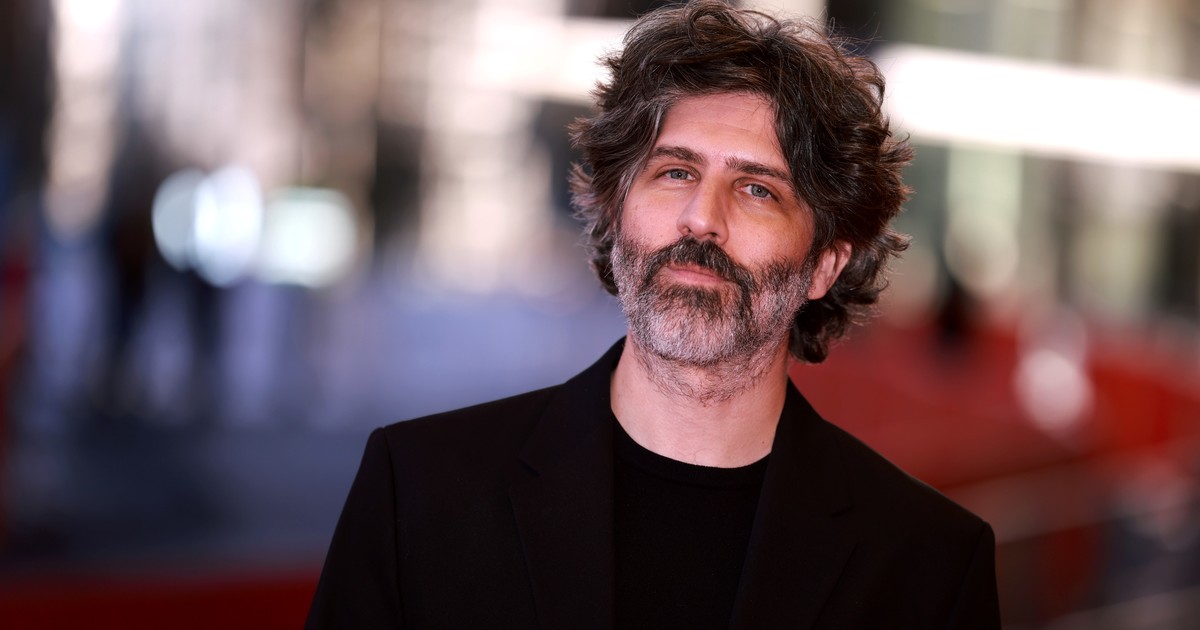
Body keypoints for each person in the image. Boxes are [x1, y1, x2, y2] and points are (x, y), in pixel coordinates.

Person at [306, 2, 1001, 628]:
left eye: (757, 190)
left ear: (825, 264)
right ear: (615, 214)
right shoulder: (417, 490)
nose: (702, 217)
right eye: (675, 172)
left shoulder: (930, 561)